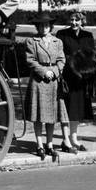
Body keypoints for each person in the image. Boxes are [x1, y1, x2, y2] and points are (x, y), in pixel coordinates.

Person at [23, 12, 66, 161]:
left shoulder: (57, 42)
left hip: (53, 81)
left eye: (46, 25)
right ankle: (39, 145)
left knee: (51, 115)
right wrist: (44, 72)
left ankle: (49, 144)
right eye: (41, 25)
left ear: (51, 26)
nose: (44, 28)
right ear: (37, 27)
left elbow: (61, 60)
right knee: (38, 115)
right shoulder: (31, 41)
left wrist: (54, 71)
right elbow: (30, 60)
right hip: (38, 81)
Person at [56, 10, 96, 153]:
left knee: (77, 110)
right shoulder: (62, 34)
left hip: (81, 78)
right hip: (67, 77)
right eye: (72, 20)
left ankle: (74, 138)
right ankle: (65, 139)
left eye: (77, 20)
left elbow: (92, 55)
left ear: (82, 21)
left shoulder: (88, 36)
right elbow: (59, 55)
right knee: (66, 109)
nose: (74, 23)